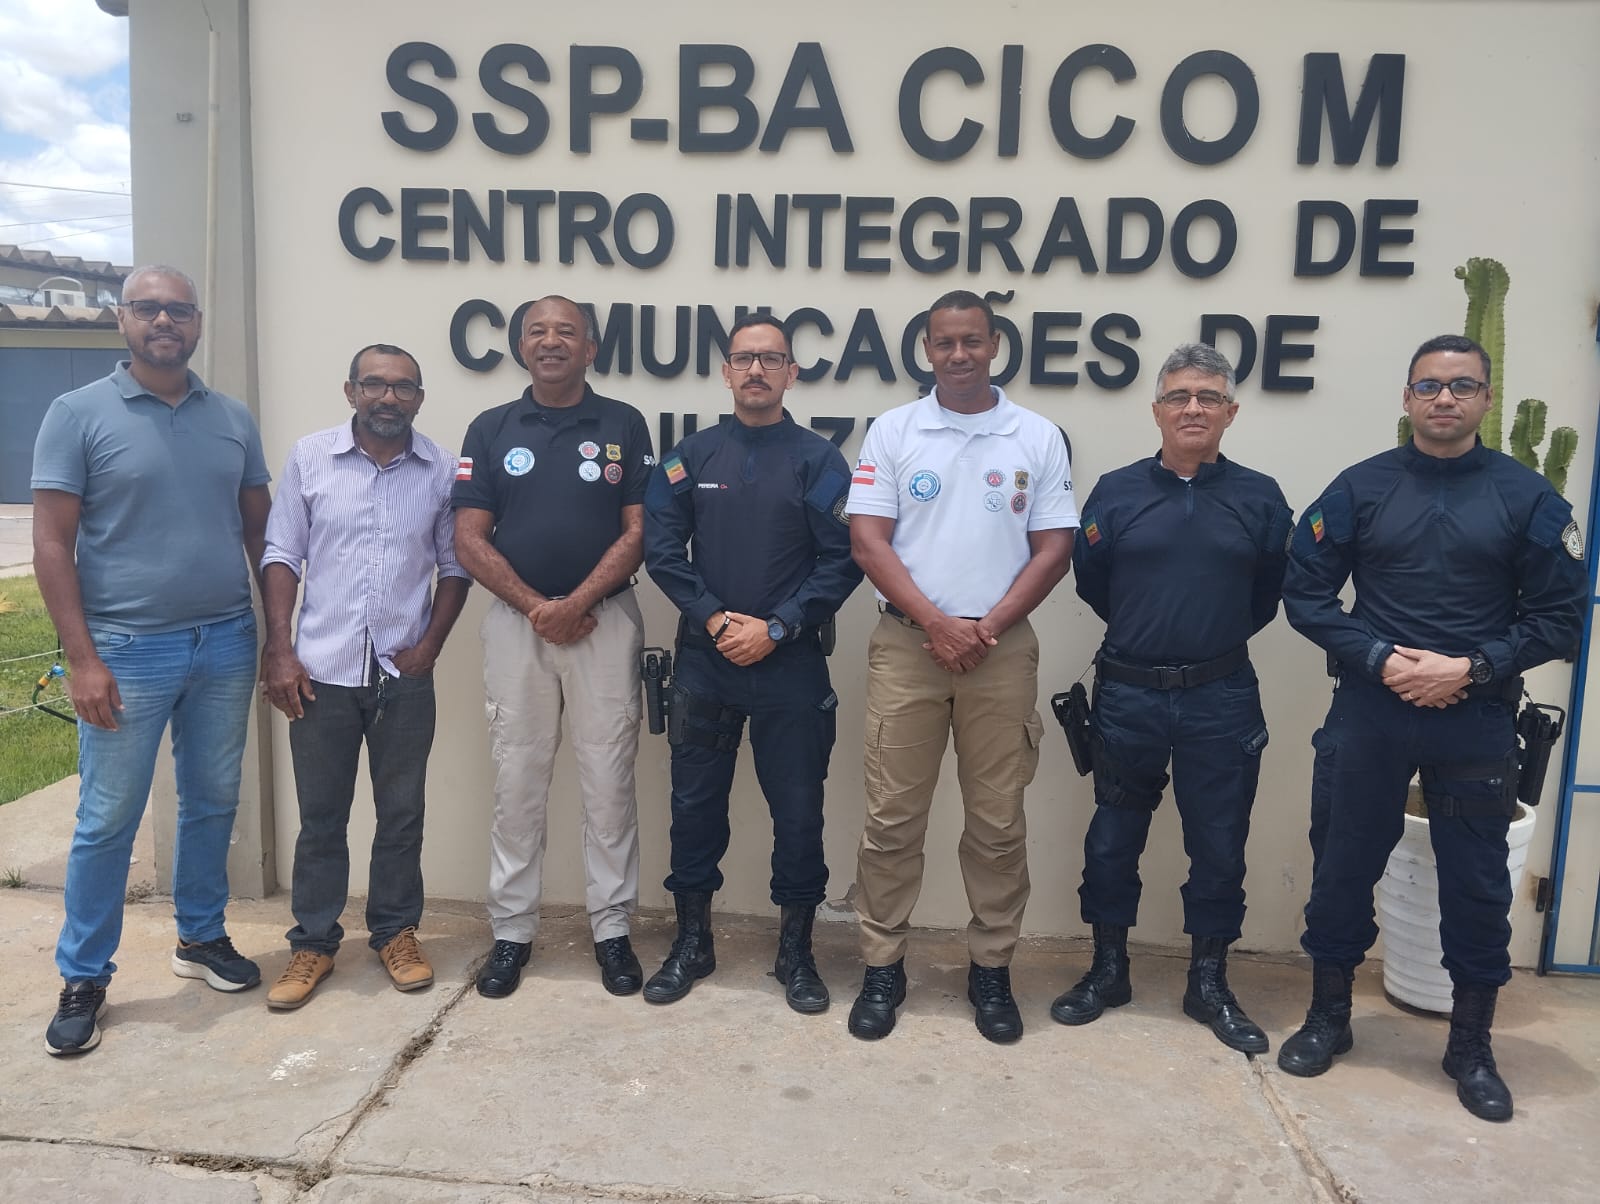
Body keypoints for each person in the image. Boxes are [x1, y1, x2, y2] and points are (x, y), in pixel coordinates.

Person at [1279, 333, 1586, 1122]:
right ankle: (1328, 1019)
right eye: (1429, 385)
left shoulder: (1528, 499)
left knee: (1479, 888)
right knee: (1342, 867)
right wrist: (1380, 657)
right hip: (1370, 714)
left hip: (1476, 720)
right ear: (1407, 398)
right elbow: (1306, 595)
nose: (1445, 398)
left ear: (1486, 399)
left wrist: (1471, 669)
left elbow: (1559, 618)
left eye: (1462, 385)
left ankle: (1471, 1046)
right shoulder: (1360, 488)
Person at [31, 264, 271, 1056]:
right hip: (125, 650)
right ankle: (85, 975)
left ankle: (200, 938)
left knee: (211, 801)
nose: (163, 321)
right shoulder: (76, 414)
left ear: (197, 323)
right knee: (107, 819)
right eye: (147, 309)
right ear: (122, 319)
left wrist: (275, 634)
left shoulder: (232, 418)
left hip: (226, 641)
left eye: (178, 310)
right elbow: (52, 543)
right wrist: (82, 658)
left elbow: (259, 535)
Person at [844, 289, 1076, 1043]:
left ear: (995, 345)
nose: (958, 354)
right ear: (926, 350)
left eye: (972, 341)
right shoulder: (894, 430)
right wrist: (941, 625)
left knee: (999, 823)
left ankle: (992, 969)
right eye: (944, 343)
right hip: (909, 649)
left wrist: (987, 627)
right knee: (890, 820)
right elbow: (869, 541)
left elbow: (1055, 547)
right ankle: (882, 965)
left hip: (1001, 654)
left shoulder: (1036, 436)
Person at [1052, 343, 1292, 1054]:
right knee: (1111, 841)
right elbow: (1094, 582)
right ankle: (1108, 969)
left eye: (1209, 397)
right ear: (1157, 410)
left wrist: (1198, 644)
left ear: (1231, 412)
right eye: (1180, 396)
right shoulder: (1116, 493)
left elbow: (1266, 595)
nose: (1194, 408)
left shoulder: (1261, 497)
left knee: (1218, 845)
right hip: (1128, 695)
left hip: (1220, 697)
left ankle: (1209, 982)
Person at [641, 313, 862, 1012]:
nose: (758, 370)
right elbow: (661, 548)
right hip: (706, 664)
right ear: (727, 371)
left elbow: (842, 559)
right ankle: (692, 943)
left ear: (793, 372)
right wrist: (713, 616)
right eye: (745, 359)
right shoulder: (690, 456)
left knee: (798, 813)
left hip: (789, 666)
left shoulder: (820, 460)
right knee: (693, 809)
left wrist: (778, 625)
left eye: (772, 360)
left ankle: (795, 951)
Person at [452, 296, 655, 999]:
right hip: (518, 627)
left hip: (604, 623)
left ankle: (612, 930)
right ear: (520, 347)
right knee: (518, 779)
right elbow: (468, 538)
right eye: (536, 330)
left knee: (610, 781)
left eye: (567, 331)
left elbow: (639, 531)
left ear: (591, 348)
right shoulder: (491, 427)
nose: (551, 341)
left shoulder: (623, 423)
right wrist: (539, 607)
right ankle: (511, 933)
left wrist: (575, 603)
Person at [258, 344, 470, 1009]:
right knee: (321, 817)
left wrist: (430, 646)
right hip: (320, 671)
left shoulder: (439, 469)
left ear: (419, 398)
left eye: (403, 387)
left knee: (402, 814)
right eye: (374, 385)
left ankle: (395, 933)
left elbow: (455, 567)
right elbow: (281, 552)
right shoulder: (310, 458)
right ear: (350, 391)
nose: (388, 398)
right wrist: (281, 649)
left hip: (403, 675)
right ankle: (314, 943)